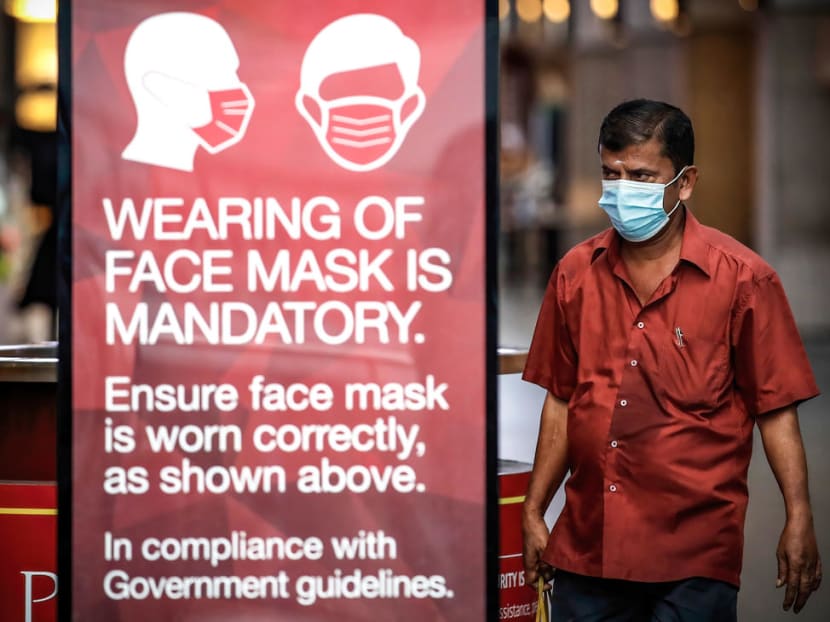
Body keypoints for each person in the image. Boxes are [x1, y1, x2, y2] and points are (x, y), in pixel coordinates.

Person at [521, 99, 821, 621]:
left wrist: (799, 516)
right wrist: (533, 509)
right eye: (611, 174)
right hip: (590, 546)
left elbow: (775, 409)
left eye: (641, 176)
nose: (622, 190)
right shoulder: (575, 274)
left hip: (692, 555)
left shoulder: (744, 282)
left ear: (685, 183)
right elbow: (562, 402)